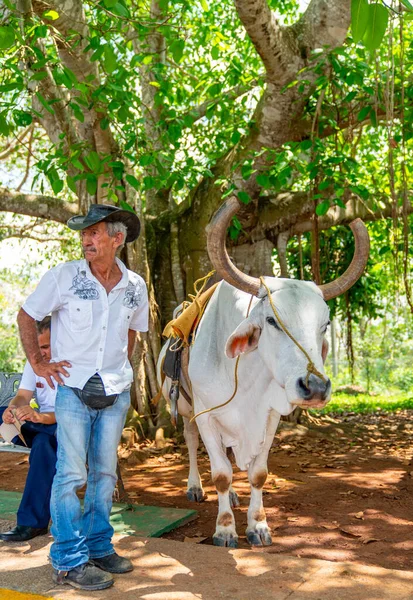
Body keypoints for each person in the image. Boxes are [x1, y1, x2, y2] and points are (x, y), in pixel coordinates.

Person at [17, 204, 148, 591]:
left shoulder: (135, 286)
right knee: (71, 474)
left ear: (117, 239)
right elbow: (26, 315)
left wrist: (120, 372)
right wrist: (39, 364)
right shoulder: (64, 277)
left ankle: (97, 546)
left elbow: (133, 334)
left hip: (115, 392)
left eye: (94, 233)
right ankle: (68, 561)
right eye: (83, 234)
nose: (85, 240)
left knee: (104, 475)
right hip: (72, 390)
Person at [0, 316, 57, 542]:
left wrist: (40, 417)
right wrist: (13, 410)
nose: (40, 353)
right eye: (37, 347)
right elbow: (23, 396)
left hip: (69, 427)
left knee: (44, 444)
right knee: (1, 411)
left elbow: (74, 412)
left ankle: (32, 524)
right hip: (42, 426)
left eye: (45, 346)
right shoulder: (35, 362)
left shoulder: (74, 364)